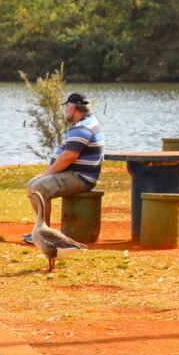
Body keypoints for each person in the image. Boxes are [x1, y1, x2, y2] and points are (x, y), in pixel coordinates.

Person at [24, 91, 103, 245]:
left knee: (38, 188)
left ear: (72, 108)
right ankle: (43, 230)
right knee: (31, 185)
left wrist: (46, 173)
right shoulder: (87, 123)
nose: (65, 110)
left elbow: (69, 156)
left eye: (66, 107)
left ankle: (44, 235)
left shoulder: (82, 128)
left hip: (81, 177)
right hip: (76, 173)